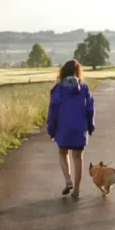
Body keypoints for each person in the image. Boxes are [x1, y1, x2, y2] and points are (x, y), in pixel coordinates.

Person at [47, 59, 95, 198]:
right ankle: (77, 190)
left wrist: (51, 128)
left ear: (63, 71)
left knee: (63, 153)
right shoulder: (84, 88)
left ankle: (68, 181)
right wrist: (90, 127)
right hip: (79, 127)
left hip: (63, 127)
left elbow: (53, 111)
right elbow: (90, 109)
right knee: (78, 157)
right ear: (77, 72)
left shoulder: (57, 88)